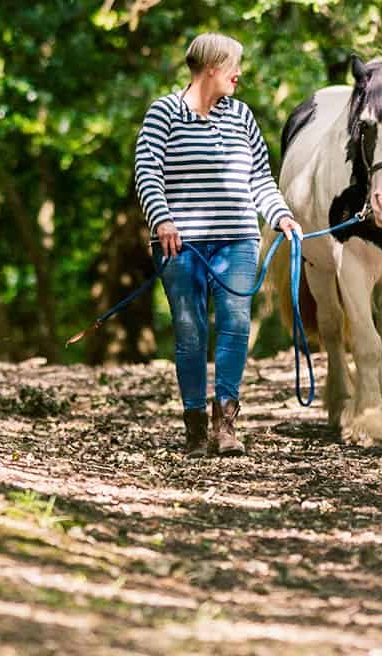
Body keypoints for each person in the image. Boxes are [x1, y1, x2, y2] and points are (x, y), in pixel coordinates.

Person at [134, 32, 301, 457]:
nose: (238, 74)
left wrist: (279, 214)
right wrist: (163, 219)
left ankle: (225, 425)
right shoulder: (164, 114)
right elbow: (146, 173)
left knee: (236, 325)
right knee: (190, 331)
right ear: (211, 68)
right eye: (233, 66)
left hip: (237, 239)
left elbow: (259, 177)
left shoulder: (241, 116)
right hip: (180, 245)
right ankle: (194, 429)